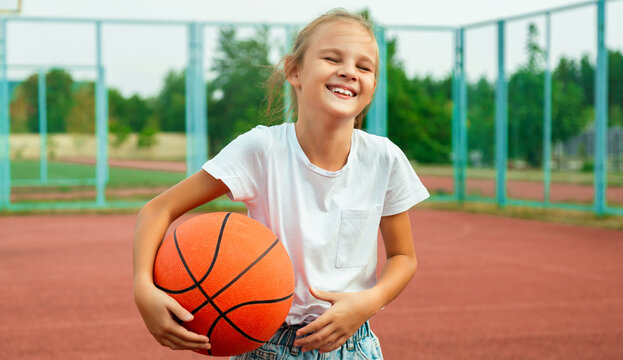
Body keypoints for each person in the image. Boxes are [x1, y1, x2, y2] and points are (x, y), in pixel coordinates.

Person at [133, 8, 429, 360]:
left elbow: (403, 257)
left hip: (353, 345)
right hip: (266, 345)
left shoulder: (384, 159)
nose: (349, 71)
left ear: (372, 86)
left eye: (364, 67)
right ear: (295, 71)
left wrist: (369, 301)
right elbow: (158, 209)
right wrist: (142, 287)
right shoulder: (262, 150)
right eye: (333, 58)